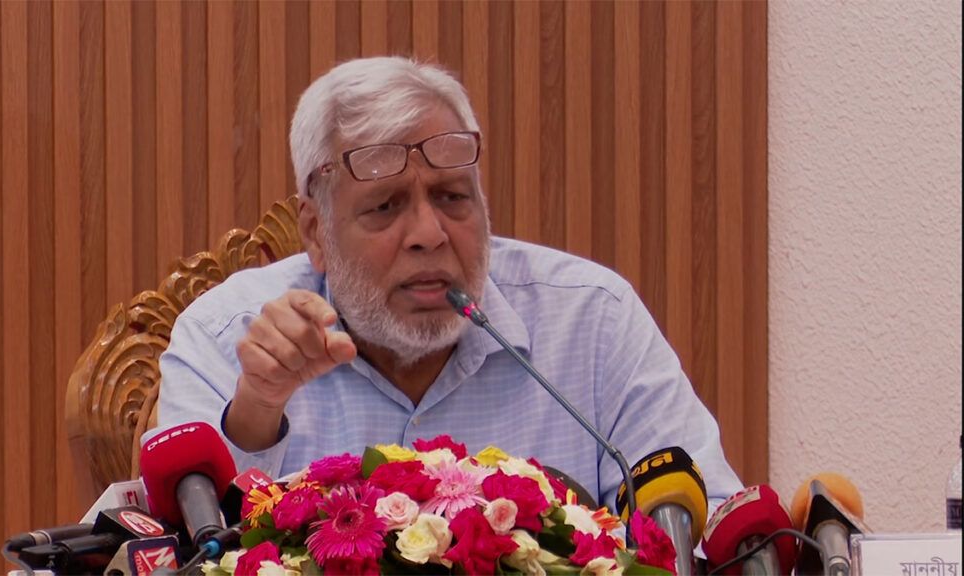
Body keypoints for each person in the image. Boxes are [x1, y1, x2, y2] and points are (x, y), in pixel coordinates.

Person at [148, 56, 743, 514]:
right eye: (385, 207)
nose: (430, 235)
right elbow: (182, 553)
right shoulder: (225, 337)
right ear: (316, 231)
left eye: (452, 197)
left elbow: (703, 531)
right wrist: (257, 409)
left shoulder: (594, 322)